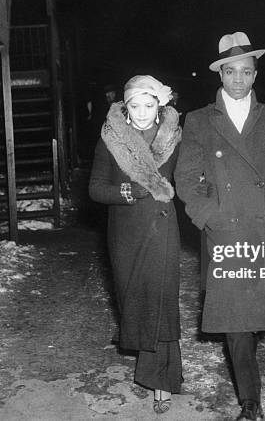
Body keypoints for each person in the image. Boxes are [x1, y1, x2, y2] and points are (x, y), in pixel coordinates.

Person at [175, 32, 265, 420]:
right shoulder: (199, 121)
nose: (237, 79)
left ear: (254, 74)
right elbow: (186, 177)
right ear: (220, 74)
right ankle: (251, 401)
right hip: (226, 230)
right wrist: (208, 216)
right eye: (230, 71)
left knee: (256, 315)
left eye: (245, 72)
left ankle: (250, 381)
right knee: (237, 321)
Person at [88, 75, 183, 414]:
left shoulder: (174, 136)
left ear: (160, 105)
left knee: (162, 299)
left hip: (162, 228)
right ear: (124, 108)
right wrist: (127, 192)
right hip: (125, 231)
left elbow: (187, 178)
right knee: (136, 298)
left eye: (149, 105)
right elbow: (95, 189)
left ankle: (163, 381)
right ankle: (151, 368)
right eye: (135, 106)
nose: (142, 113)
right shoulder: (110, 139)